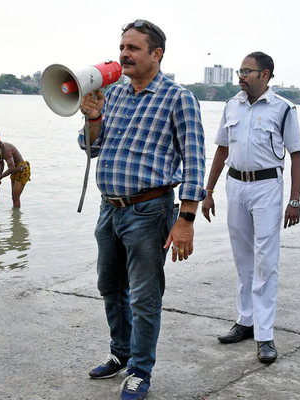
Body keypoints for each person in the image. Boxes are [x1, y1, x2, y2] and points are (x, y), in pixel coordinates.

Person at [78, 19, 205, 400]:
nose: (124, 54)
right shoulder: (112, 93)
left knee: (145, 295)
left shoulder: (178, 98)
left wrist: (185, 219)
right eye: (122, 47)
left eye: (133, 48)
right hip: (109, 209)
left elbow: (196, 161)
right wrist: (94, 116)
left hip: (150, 212)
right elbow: (91, 148)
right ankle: (121, 353)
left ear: (156, 54)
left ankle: (140, 370)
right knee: (109, 286)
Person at [201, 52, 300, 364]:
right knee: (243, 258)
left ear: (266, 75)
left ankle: (265, 334)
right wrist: (208, 191)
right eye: (239, 70)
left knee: (266, 261)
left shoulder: (283, 109)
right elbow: (222, 149)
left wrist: (294, 200)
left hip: (266, 187)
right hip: (236, 186)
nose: (241, 76)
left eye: (247, 71)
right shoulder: (232, 105)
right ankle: (245, 321)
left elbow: (296, 155)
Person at [0, 132, 30, 208]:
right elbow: (1, 164)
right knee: (13, 196)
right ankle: (15, 218)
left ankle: (16, 217)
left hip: (22, 171)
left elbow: (12, 168)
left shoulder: (6, 150)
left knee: (15, 197)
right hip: (15, 172)